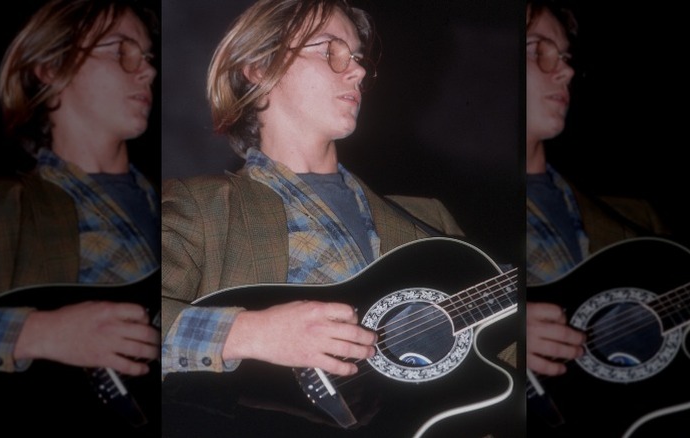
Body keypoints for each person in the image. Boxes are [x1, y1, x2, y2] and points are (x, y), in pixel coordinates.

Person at [161, 1, 519, 437]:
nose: (357, 73)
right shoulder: (198, 207)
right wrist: (250, 332)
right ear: (257, 66)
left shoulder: (430, 221)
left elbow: (505, 371)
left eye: (358, 59)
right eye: (330, 50)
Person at [0, 0, 160, 434]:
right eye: (122, 51)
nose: (147, 72)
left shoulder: (186, 206)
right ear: (50, 67)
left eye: (147, 57)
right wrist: (38, 332)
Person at [524, 1, 690, 437]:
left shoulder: (638, 221)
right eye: (539, 49)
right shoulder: (449, 217)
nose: (566, 72)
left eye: (566, 57)